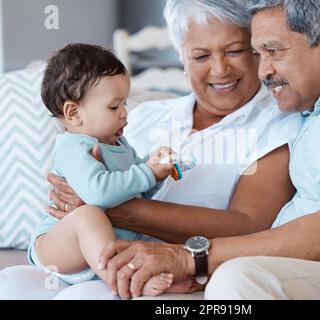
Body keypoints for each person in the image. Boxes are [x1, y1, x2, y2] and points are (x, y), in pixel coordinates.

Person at [93, 0, 320, 300]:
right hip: (301, 268)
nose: (262, 71)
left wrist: (191, 258)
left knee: (236, 278)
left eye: (272, 51)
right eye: (258, 53)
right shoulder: (316, 105)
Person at [0, 0, 303, 300]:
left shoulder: (277, 126)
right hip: (95, 258)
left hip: (164, 267)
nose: (220, 69)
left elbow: (249, 226)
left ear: (256, 49)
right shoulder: (145, 116)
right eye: (200, 55)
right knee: (10, 284)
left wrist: (115, 208)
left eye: (235, 50)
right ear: (181, 56)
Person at [27, 43, 200, 296]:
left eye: (125, 104)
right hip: (58, 246)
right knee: (88, 216)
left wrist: (156, 171)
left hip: (100, 250)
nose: (124, 115)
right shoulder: (73, 146)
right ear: (74, 113)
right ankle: (127, 281)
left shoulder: (119, 144)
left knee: (151, 241)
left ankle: (145, 273)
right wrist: (147, 172)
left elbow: (135, 194)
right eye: (113, 107)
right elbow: (98, 194)